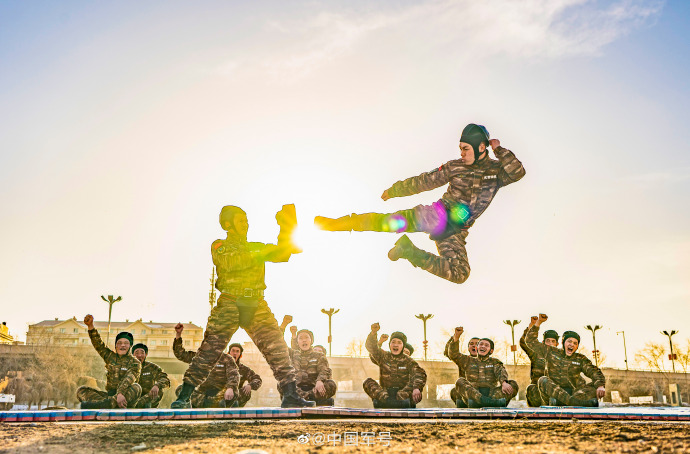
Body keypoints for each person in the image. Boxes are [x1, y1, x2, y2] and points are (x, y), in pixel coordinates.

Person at [315, 124, 526, 284]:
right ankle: (337, 224)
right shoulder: (455, 167)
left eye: (466, 148)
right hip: (436, 217)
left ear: (481, 147)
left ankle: (408, 251)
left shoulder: (496, 172)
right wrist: (395, 190)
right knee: (386, 223)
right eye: (460, 148)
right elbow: (425, 181)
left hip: (454, 232)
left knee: (460, 274)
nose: (462, 153)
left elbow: (518, 172)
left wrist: (499, 150)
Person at [172, 205, 314, 409]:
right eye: (241, 220)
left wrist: (287, 226)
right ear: (228, 224)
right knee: (209, 352)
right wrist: (262, 253)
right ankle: (184, 396)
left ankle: (290, 394)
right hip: (229, 302)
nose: (245, 223)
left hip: (256, 303)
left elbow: (283, 254)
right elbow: (232, 262)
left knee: (278, 349)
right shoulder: (219, 245)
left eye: (246, 219)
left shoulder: (255, 246)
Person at [525, 314, 605, 407]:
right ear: (563, 343)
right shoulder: (551, 352)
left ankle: (563, 402)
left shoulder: (580, 359)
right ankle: (573, 403)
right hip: (554, 392)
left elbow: (594, 371)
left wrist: (600, 385)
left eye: (575, 343)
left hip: (574, 393)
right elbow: (530, 341)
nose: (572, 345)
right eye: (569, 341)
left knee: (593, 387)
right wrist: (538, 323)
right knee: (543, 380)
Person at [77, 314, 142, 409]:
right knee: (81, 391)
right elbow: (98, 344)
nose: (122, 345)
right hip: (110, 396)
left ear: (130, 346)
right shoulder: (110, 357)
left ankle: (103, 405)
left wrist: (120, 393)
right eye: (119, 343)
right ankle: (107, 404)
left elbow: (128, 379)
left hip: (125, 397)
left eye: (126, 343)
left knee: (137, 388)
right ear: (116, 346)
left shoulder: (135, 362)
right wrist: (90, 326)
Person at [446, 327, 518, 408]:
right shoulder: (467, 360)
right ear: (477, 348)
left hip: (492, 394)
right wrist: (456, 336)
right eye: (481, 344)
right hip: (474, 395)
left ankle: (487, 402)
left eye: (486, 345)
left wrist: (504, 383)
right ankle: (487, 402)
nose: (483, 346)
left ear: (491, 351)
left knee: (513, 384)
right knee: (459, 381)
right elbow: (453, 354)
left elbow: (501, 371)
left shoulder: (495, 361)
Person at [173, 323, 239, 408]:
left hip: (219, 392)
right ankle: (187, 405)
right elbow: (181, 354)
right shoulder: (201, 356)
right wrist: (178, 334)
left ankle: (219, 405)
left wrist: (231, 388)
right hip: (202, 392)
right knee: (180, 389)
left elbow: (233, 374)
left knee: (229, 394)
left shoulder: (227, 359)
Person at [363, 323, 426, 409]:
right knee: (368, 382)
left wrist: (416, 388)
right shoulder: (383, 356)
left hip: (402, 394)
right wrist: (373, 333)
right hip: (386, 394)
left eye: (399, 343)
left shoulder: (408, 360)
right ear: (390, 345)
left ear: (402, 346)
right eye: (393, 342)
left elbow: (420, 373)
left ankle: (402, 402)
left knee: (414, 380)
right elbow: (372, 348)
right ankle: (384, 402)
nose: (396, 345)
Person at [287, 326, 337, 406]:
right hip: (298, 388)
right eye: (300, 338)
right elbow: (280, 346)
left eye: (306, 337)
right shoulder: (293, 355)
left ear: (311, 341)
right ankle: (305, 398)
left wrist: (319, 380)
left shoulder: (319, 355)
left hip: (314, 388)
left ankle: (304, 398)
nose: (304, 340)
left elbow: (324, 370)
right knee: (283, 383)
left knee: (331, 384)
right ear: (297, 342)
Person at [131, 343, 170, 408]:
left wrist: (157, 385)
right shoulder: (128, 367)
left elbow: (165, 379)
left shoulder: (152, 367)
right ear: (132, 355)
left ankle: (144, 409)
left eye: (142, 353)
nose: (139, 355)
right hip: (132, 398)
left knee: (160, 390)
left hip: (148, 397)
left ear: (146, 355)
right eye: (137, 353)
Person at [444, 335, 479, 407]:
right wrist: (455, 337)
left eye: (477, 344)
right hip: (465, 395)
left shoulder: (490, 361)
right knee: (455, 391)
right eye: (471, 344)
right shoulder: (464, 360)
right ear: (468, 348)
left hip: (482, 395)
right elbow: (449, 353)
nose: (474, 346)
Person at [227, 343, 263, 407]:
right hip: (220, 395)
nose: (235, 353)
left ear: (240, 355)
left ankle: (236, 409)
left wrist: (250, 385)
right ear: (228, 353)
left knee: (246, 391)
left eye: (237, 351)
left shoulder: (244, 369)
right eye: (233, 351)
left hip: (236, 397)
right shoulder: (220, 366)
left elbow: (257, 379)